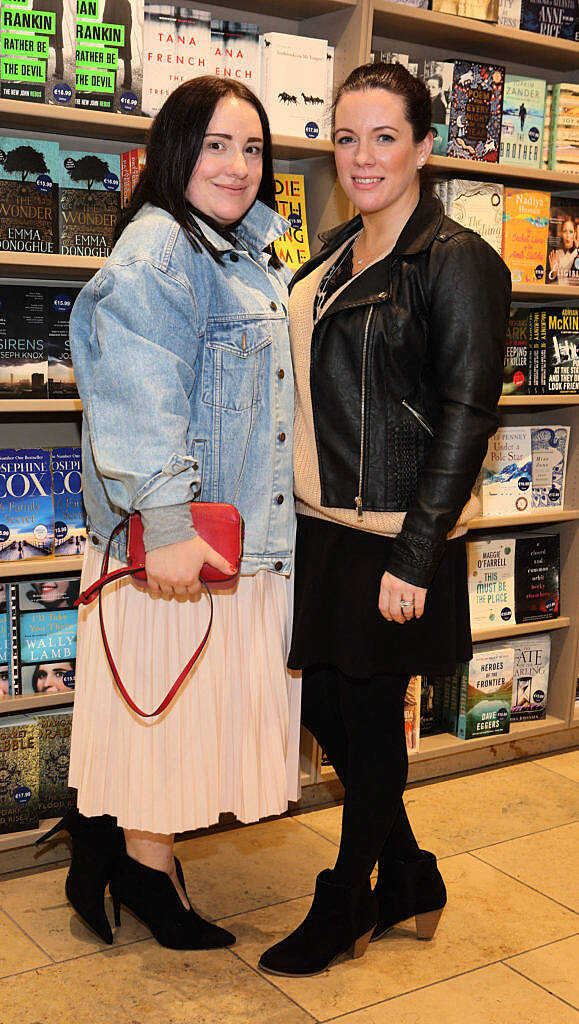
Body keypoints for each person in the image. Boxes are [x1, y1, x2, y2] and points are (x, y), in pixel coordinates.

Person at [258, 61, 511, 978]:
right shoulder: (330, 252)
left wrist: (413, 553)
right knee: (328, 704)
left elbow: (466, 417)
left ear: (424, 148)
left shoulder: (456, 262)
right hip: (322, 525)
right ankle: (408, 873)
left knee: (366, 720)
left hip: (397, 537)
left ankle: (349, 897)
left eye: (384, 137)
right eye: (345, 135)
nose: (360, 156)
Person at [38, 76, 297, 953]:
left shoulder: (241, 247)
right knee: (165, 724)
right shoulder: (159, 251)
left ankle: (109, 847)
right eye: (216, 145)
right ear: (173, 152)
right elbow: (139, 395)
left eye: (253, 148)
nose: (237, 165)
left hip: (221, 539)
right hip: (176, 541)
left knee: (169, 719)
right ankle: (144, 872)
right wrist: (173, 526)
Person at [548, 215, 579, 285]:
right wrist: (553, 273)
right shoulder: (556, 254)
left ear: (575, 234)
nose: (568, 235)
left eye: (571, 232)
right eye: (565, 231)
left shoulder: (576, 254)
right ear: (561, 233)